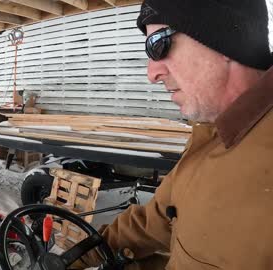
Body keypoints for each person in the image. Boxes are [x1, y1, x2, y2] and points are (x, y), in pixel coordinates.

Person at [76, 0, 273, 269]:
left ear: (225, 37)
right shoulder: (212, 129)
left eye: (159, 44)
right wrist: (74, 257)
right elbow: (152, 223)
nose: (152, 73)